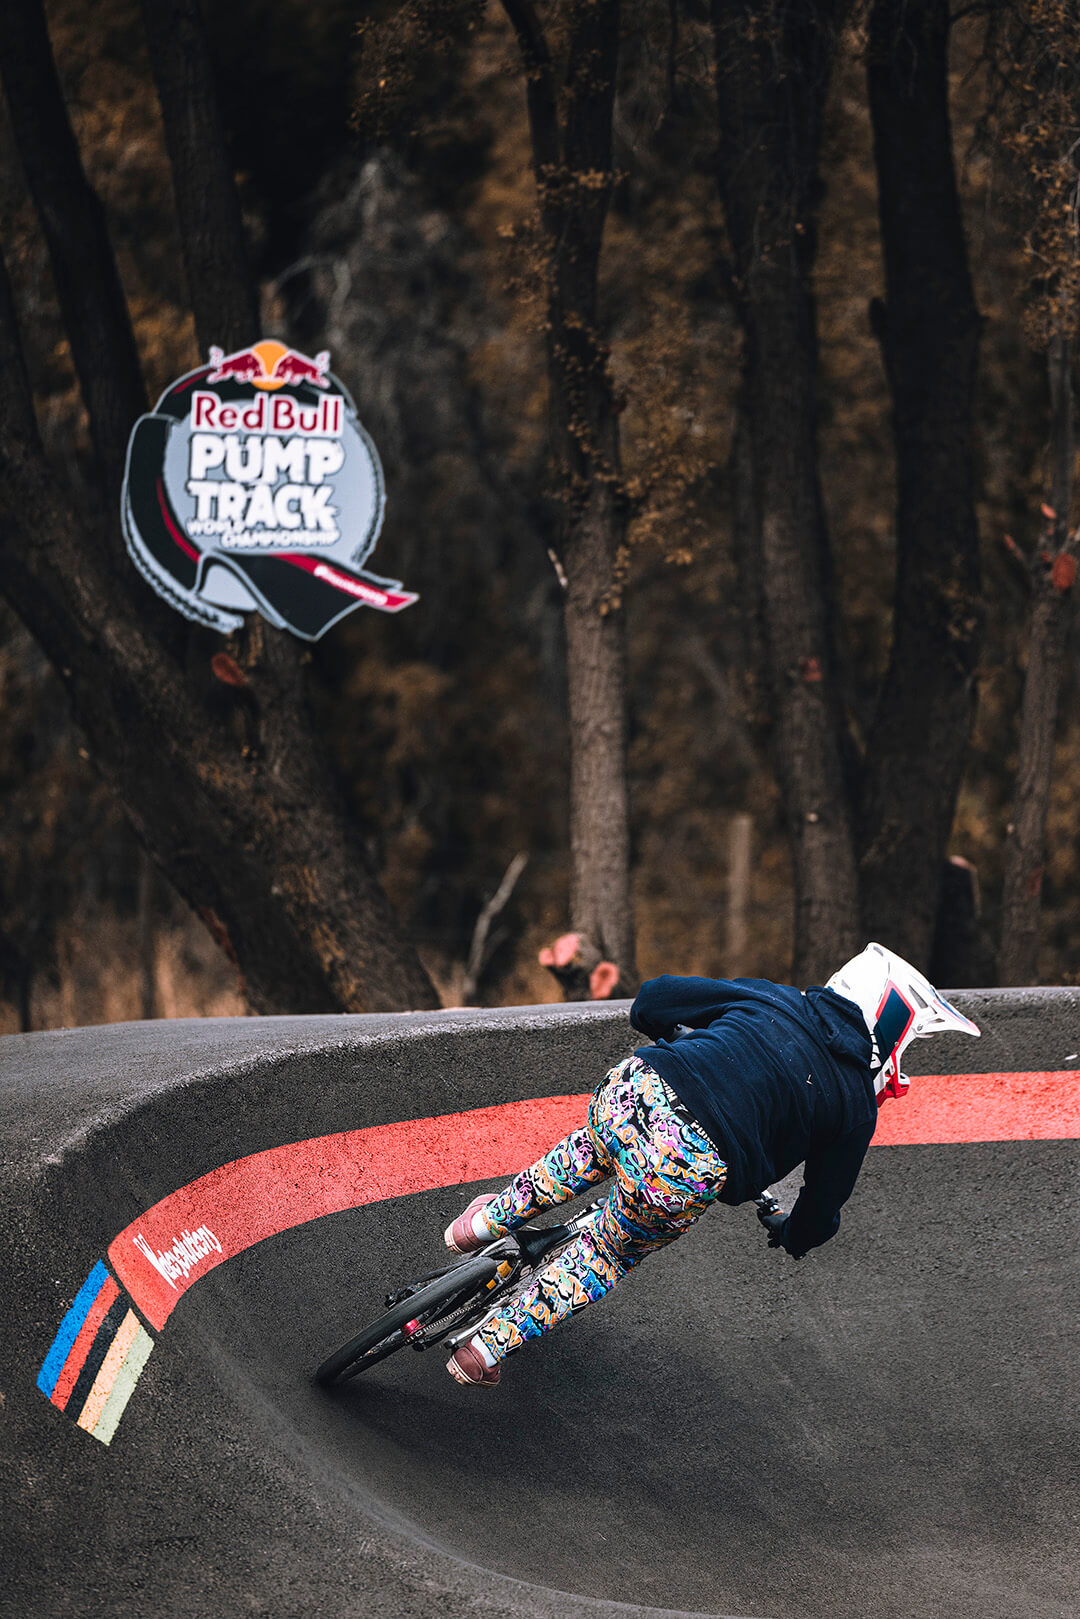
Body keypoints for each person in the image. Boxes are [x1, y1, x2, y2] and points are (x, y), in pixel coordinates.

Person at [444, 942, 980, 1387]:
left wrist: (678, 1035)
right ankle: (484, 1350)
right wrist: (793, 1234)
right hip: (683, 1172)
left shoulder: (774, 998)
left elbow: (653, 999)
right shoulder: (854, 1105)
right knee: (608, 1250)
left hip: (637, 1091)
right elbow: (821, 1209)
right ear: (891, 1024)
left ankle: (486, 1221)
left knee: (591, 1147)